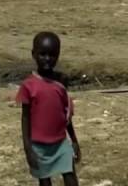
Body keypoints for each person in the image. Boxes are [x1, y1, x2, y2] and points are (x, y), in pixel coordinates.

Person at [17, 32, 81, 186]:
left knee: (70, 176)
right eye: (43, 54)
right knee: (45, 180)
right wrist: (28, 148)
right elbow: (25, 118)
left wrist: (74, 140)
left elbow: (66, 114)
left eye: (52, 55)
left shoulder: (61, 81)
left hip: (60, 142)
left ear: (58, 55)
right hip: (38, 146)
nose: (47, 59)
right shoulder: (28, 86)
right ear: (34, 54)